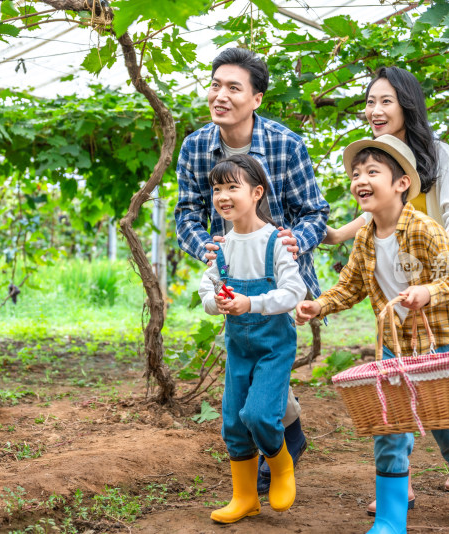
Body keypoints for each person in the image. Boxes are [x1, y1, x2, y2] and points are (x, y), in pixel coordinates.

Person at [323, 66, 449, 505]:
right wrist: (332, 236)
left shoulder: (438, 154)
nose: (375, 109)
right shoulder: (375, 160)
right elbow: (371, 217)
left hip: (440, 281)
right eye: (369, 101)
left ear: (407, 104)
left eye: (385, 100)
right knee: (402, 400)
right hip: (397, 300)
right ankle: (399, 482)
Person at [296, 135, 449, 532]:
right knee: (390, 428)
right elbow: (349, 286)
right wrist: (319, 305)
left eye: (371, 172)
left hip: (441, 342)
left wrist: (426, 291)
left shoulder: (425, 229)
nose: (360, 180)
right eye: (355, 173)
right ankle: (390, 516)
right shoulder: (365, 238)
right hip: (396, 347)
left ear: (401, 184)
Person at [174, 47, 329, 492]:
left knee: (270, 359)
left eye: (233, 88)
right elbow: (187, 212)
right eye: (215, 85)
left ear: (256, 98)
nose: (219, 95)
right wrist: (208, 248)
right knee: (250, 370)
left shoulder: (286, 144)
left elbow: (314, 213)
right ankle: (289, 440)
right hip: (229, 271)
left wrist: (292, 240)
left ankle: (283, 445)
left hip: (279, 272)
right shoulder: (196, 147)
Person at [199, 154, 307, 523]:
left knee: (258, 414)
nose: (223, 195)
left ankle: (281, 464)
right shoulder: (221, 245)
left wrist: (253, 303)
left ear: (257, 192)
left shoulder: (274, 242)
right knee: (232, 420)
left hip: (273, 346)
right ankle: (244, 497)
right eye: (217, 189)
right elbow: (206, 289)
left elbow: (295, 291)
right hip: (238, 346)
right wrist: (217, 301)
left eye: (233, 187)